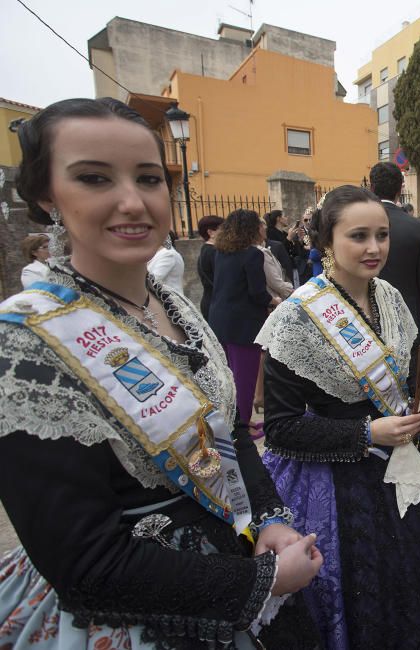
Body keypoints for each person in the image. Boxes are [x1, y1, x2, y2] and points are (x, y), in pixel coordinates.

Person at [0, 97, 320, 649]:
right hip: (134, 618)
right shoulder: (25, 342)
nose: (133, 201)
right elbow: (87, 565)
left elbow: (229, 432)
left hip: (236, 561)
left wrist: (269, 518)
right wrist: (262, 580)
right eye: (94, 178)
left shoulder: (176, 307)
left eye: (148, 178)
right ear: (47, 196)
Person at [257, 185, 420, 649]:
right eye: (358, 236)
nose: (374, 248)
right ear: (326, 241)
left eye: (382, 235)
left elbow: (407, 372)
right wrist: (366, 431)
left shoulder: (390, 297)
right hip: (338, 482)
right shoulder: (294, 320)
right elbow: (280, 428)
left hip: (409, 457)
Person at [209, 209, 276, 432]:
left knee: (228, 377)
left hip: (219, 319)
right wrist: (274, 300)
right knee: (244, 378)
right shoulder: (252, 255)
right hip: (244, 324)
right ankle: (243, 426)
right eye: (259, 224)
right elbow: (257, 293)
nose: (262, 227)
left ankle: (232, 420)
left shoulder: (221, 252)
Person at [370, 162, 420, 390]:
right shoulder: (415, 226)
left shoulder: (359, 224)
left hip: (369, 321)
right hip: (409, 320)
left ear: (372, 186)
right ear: (400, 189)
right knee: (411, 390)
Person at [196, 214, 223, 318]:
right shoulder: (212, 252)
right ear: (211, 232)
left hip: (212, 301)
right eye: (222, 229)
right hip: (215, 303)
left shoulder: (208, 250)